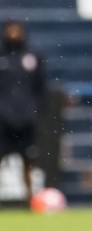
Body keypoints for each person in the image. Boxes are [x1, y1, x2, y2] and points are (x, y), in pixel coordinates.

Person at [0, 20, 46, 203]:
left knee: (29, 161)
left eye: (17, 30)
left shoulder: (32, 57)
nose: (13, 34)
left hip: (26, 119)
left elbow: (41, 87)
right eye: (10, 30)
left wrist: (33, 110)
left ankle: (31, 200)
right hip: (2, 119)